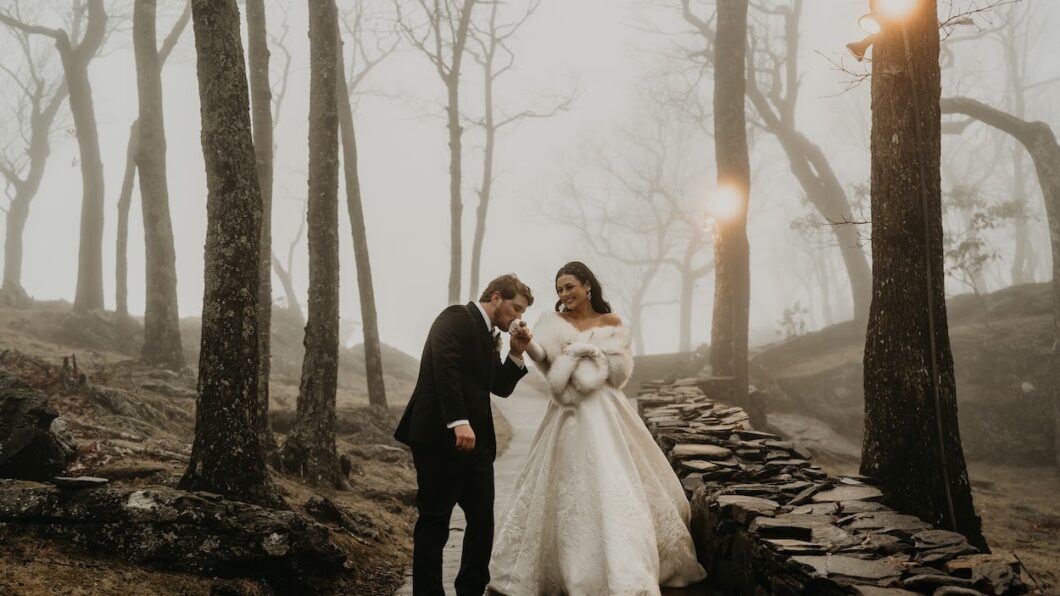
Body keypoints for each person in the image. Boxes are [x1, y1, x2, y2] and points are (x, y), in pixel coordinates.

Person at [488, 261, 706, 596]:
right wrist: (526, 341)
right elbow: (545, 357)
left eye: (570, 286)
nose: (564, 294)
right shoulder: (555, 322)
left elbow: (619, 372)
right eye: (560, 289)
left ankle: (625, 566)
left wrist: (594, 361)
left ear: (587, 285)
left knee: (614, 476)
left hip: (605, 408)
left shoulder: (611, 322)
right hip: (568, 411)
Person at [395, 274, 535, 596]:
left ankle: (471, 589)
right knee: (435, 521)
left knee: (483, 522)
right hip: (438, 439)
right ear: (496, 297)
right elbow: (446, 369)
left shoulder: (490, 335)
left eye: (523, 313)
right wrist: (458, 420)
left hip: (479, 446)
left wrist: (515, 353)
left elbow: (497, 386)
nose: (518, 318)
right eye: (516, 308)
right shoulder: (455, 317)